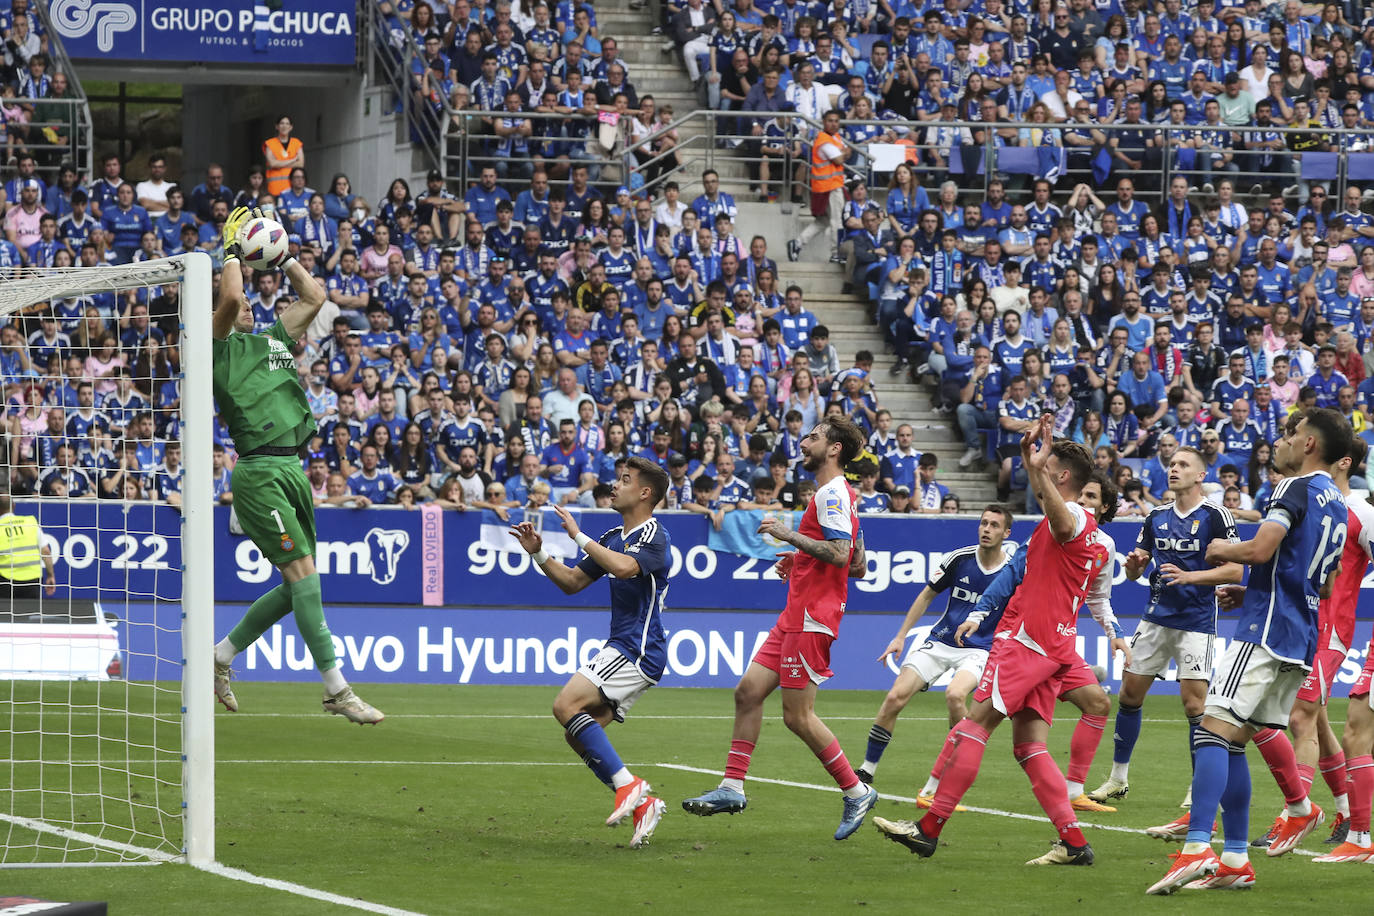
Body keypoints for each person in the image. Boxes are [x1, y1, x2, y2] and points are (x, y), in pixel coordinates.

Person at [874, 419, 1105, 865]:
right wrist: (1031, 465)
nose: (1041, 471)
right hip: (1055, 646)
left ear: (1061, 478)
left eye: (1048, 466)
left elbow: (1060, 517)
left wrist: (1036, 471)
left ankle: (928, 827)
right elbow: (1051, 516)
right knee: (1029, 746)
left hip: (1030, 644)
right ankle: (1074, 843)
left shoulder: (1073, 517)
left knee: (975, 724)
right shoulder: (1087, 530)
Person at [1147, 407, 1351, 895]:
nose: (1280, 441)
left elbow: (1260, 549)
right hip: (1301, 634)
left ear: (1308, 445)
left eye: (1289, 434)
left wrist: (1219, 550)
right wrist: (1254, 589)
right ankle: (1236, 859)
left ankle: (1197, 847)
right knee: (1235, 738)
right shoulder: (1338, 503)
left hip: (1266, 632)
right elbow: (1323, 583)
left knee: (1211, 729)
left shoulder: (1292, 488)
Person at [209, 206, 382, 725]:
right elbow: (235, 296)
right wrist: (233, 250)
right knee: (305, 578)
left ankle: (221, 655)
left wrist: (282, 256)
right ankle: (336, 688)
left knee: (297, 587)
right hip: (259, 470)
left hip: (293, 470)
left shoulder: (272, 339)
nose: (243, 311)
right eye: (231, 308)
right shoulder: (217, 348)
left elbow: (316, 297)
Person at [682, 417, 880, 840]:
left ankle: (856, 789)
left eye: (814, 437)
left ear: (834, 450)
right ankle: (732, 787)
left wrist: (789, 537)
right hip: (797, 614)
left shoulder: (831, 493)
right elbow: (858, 563)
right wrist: (802, 560)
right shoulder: (839, 494)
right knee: (748, 691)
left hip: (813, 617)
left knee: (798, 716)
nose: (804, 442)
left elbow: (842, 554)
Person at [508, 458, 672, 848]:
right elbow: (573, 582)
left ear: (645, 493)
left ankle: (628, 786)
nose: (615, 486)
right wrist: (540, 554)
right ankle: (642, 804)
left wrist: (580, 537)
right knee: (577, 734)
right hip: (626, 646)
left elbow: (627, 568)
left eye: (625, 480)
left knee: (565, 705)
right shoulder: (615, 533)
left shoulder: (655, 536)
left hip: (638, 648)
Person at [1089, 446, 1243, 817]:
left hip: (1196, 623)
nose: (1174, 469)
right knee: (1129, 694)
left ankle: (1197, 785)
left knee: (1194, 705)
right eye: (1172, 464)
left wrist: (1193, 576)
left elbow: (1236, 572)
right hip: (1156, 618)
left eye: (1183, 465)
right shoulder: (1155, 516)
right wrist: (1134, 566)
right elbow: (1134, 572)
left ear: (1200, 475)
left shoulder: (1216, 516)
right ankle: (1118, 777)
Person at [1250, 436, 1374, 854]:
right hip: (1294, 625)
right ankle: (1342, 809)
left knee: (1299, 719)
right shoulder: (1310, 500)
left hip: (1330, 633)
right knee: (1315, 721)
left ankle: (1294, 813)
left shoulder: (1362, 513)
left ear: (1343, 461)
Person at [856, 505, 1015, 784]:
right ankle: (866, 770)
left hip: (980, 649)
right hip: (941, 641)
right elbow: (926, 596)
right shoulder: (959, 558)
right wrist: (900, 636)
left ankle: (953, 771)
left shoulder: (1012, 571)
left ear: (1006, 532)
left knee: (955, 696)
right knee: (895, 697)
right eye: (984, 523)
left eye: (994, 525)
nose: (987, 530)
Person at [788, 110, 849, 264]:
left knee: (823, 221)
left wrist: (843, 153)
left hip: (827, 186)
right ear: (823, 122)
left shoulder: (834, 137)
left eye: (836, 121)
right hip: (829, 187)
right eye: (830, 120)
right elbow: (840, 159)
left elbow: (843, 154)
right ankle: (836, 254)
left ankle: (797, 243)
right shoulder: (825, 140)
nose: (833, 124)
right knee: (837, 221)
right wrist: (844, 152)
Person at [0, 490, 56, 599]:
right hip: (32, 580)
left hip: (6, 581)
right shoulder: (30, 522)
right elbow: (46, 551)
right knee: (31, 614)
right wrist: (50, 575)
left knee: (6, 615)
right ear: (14, 505)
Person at [263, 115, 305, 198]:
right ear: (277, 126)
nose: (284, 126)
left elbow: (300, 164)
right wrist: (293, 160)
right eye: (282, 123)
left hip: (292, 189)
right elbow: (272, 164)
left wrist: (279, 163)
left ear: (291, 127)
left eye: (287, 123)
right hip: (274, 189)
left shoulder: (296, 143)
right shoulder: (270, 143)